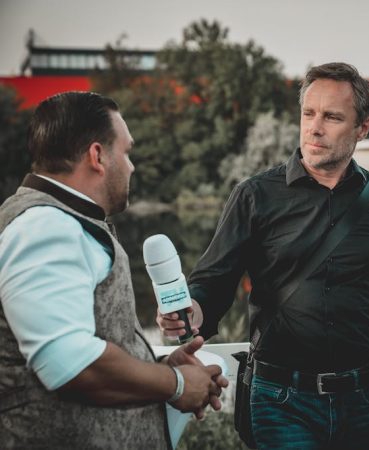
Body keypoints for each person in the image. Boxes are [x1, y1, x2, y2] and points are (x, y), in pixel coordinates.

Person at [158, 62, 369, 449]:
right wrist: (189, 312)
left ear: (363, 127)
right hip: (282, 400)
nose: (315, 128)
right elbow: (212, 284)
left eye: (333, 117)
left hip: (367, 400)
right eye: (309, 113)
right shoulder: (256, 195)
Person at [0, 91, 228, 449]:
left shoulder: (65, 222)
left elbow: (87, 340)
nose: (132, 166)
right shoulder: (45, 227)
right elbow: (69, 362)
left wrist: (159, 364)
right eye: (126, 152)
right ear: (97, 155)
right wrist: (177, 384)